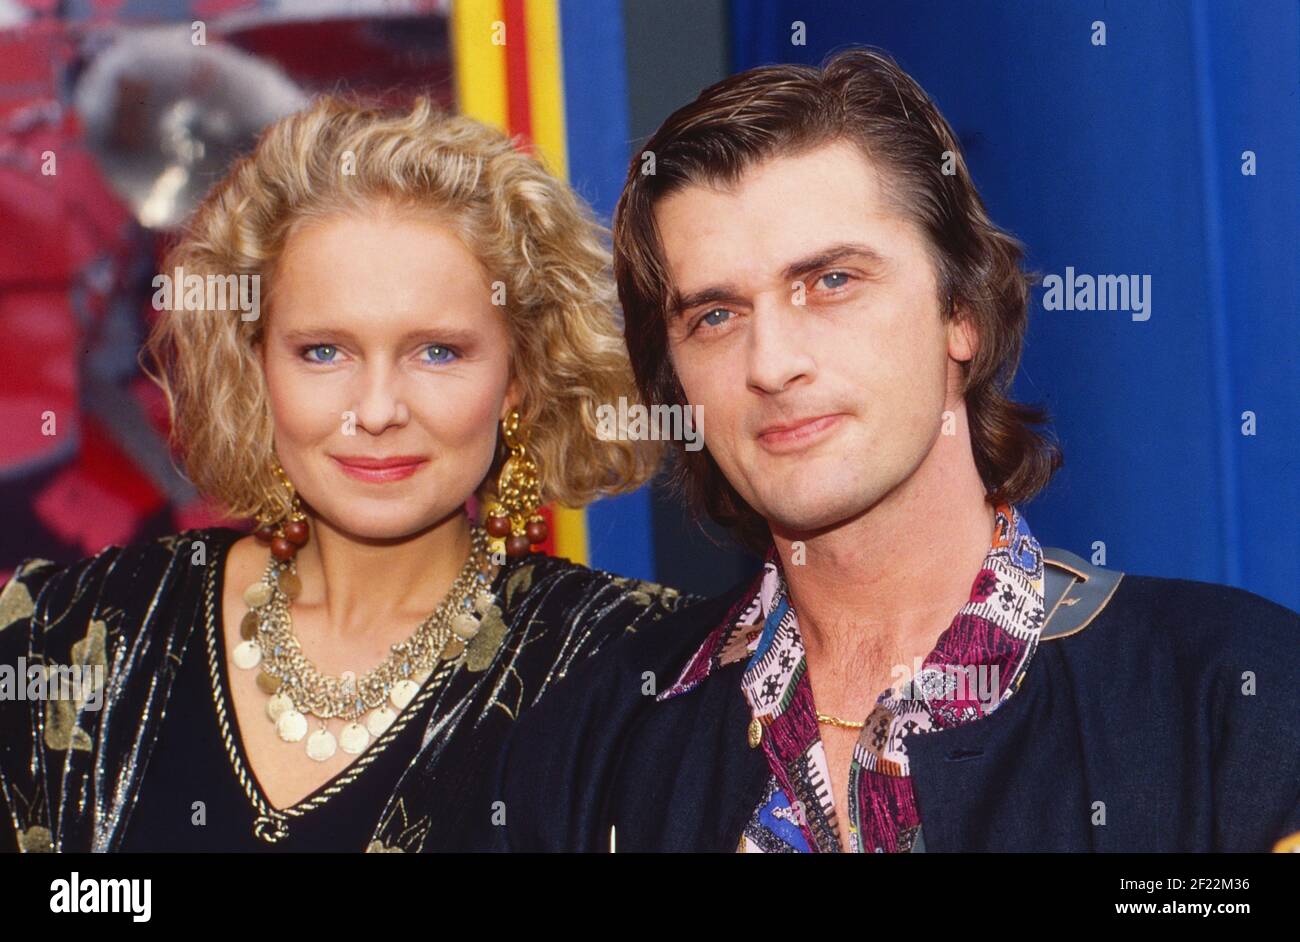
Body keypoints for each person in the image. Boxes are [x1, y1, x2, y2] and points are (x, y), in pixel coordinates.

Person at [472, 47, 1300, 853]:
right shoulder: (590, 740)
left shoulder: (1232, 700)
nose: (771, 364)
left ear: (963, 313)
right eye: (715, 315)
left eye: (832, 281)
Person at [0, 95, 690, 853]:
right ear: (254, 363)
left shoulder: (634, 671)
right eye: (324, 351)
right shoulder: (67, 635)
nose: (377, 409)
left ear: (519, 377)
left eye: (438, 351)